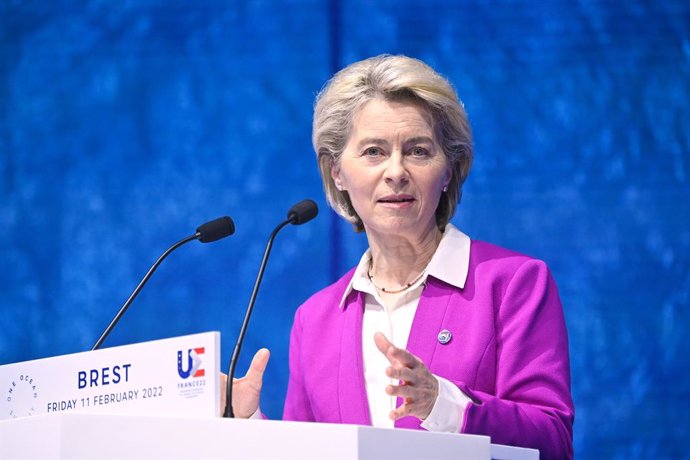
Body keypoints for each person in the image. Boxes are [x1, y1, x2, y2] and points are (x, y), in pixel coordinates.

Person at [229, 54, 574, 460]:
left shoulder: (513, 284)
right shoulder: (316, 318)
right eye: (374, 151)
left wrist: (442, 404)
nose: (396, 171)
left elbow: (552, 442)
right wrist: (247, 422)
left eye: (418, 151)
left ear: (449, 171)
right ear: (336, 170)